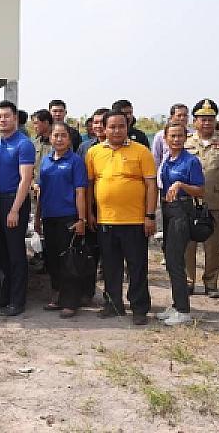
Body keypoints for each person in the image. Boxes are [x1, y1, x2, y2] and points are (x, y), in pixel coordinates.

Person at [85, 110, 157, 325]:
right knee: (110, 266)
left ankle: (139, 308)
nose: (117, 130)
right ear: (103, 129)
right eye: (112, 127)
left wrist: (150, 215)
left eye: (121, 126)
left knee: (137, 267)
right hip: (105, 221)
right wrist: (89, 212)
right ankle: (113, 305)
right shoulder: (94, 153)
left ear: (128, 127)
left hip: (135, 221)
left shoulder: (142, 151)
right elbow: (89, 185)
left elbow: (151, 185)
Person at [184, 99, 219, 297]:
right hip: (189, 202)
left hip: (216, 202)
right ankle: (188, 281)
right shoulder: (185, 142)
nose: (206, 123)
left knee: (214, 246)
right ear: (195, 121)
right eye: (202, 119)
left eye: (210, 119)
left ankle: (211, 283)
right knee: (187, 244)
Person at [36, 122, 88, 318]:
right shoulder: (46, 161)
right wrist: (38, 217)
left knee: (69, 261)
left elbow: (80, 192)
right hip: (49, 217)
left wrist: (81, 219)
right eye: (55, 135)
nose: (59, 139)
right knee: (52, 260)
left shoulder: (75, 161)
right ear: (50, 138)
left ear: (69, 139)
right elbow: (42, 191)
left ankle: (71, 302)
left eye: (63, 135)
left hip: (69, 217)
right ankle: (56, 295)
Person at [155, 123, 205, 326]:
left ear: (186, 137)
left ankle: (184, 310)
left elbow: (200, 190)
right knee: (169, 258)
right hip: (168, 211)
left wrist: (181, 185)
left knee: (176, 260)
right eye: (172, 136)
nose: (176, 139)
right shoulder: (168, 159)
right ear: (165, 138)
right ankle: (176, 304)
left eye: (180, 136)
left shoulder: (190, 161)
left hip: (182, 211)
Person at [0, 100, 35, 316]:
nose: (2, 120)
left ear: (15, 118)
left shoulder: (24, 144)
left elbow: (25, 180)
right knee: (1, 253)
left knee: (16, 254)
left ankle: (18, 300)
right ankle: (5, 295)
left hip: (13, 202)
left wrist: (15, 209)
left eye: (6, 116)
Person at [152, 104, 190, 169]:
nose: (182, 118)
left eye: (185, 115)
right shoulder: (160, 136)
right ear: (171, 117)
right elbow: (156, 159)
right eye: (179, 115)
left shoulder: (193, 135)